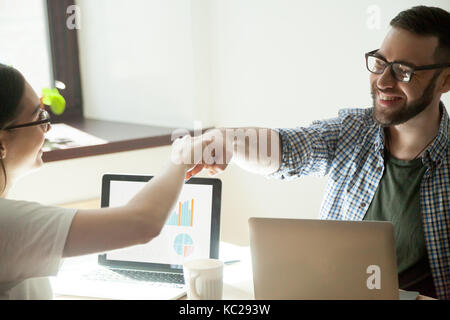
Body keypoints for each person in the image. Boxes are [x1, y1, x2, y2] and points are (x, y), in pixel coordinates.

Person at [186, 6, 450, 299]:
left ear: (445, 80)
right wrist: (226, 141)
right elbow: (287, 148)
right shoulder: (351, 131)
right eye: (379, 63)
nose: (383, 81)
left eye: (403, 71)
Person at [0, 63, 203, 299]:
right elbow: (142, 223)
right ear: (2, 143)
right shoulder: (8, 223)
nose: (47, 129)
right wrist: (180, 157)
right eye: (39, 117)